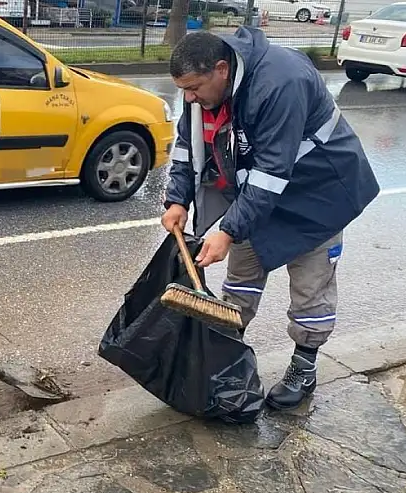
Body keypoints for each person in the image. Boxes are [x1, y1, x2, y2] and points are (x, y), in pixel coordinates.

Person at [161, 26, 379, 411]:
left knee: (311, 287)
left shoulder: (281, 82)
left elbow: (272, 171)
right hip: (257, 196)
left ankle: (304, 366)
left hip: (317, 197)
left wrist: (228, 230)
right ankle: (224, 359)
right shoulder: (201, 95)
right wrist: (177, 200)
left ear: (222, 69)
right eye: (183, 90)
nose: (188, 98)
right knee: (241, 280)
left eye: (194, 88)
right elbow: (186, 147)